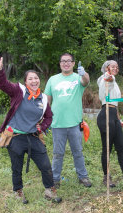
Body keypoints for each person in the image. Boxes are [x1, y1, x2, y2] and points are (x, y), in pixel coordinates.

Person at [0, 57, 61, 204]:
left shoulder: (43, 99)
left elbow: (49, 117)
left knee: (45, 165)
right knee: (16, 167)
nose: (34, 81)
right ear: (26, 82)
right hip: (16, 136)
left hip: (33, 136)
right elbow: (3, 85)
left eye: (36, 78)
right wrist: (0, 71)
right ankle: (18, 192)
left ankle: (49, 190)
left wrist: (42, 127)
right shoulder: (19, 91)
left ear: (39, 80)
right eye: (30, 78)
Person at [44, 53, 92, 188]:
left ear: (73, 63)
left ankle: (83, 177)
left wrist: (84, 74)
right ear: (60, 63)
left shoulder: (78, 78)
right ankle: (55, 179)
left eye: (69, 61)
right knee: (58, 154)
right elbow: (47, 100)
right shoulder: (52, 80)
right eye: (63, 61)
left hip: (75, 124)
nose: (66, 63)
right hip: (57, 123)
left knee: (78, 152)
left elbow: (86, 81)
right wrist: (45, 119)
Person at [96, 60, 123, 187]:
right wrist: (108, 78)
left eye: (117, 66)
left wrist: (119, 119)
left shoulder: (115, 82)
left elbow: (115, 104)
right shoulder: (104, 78)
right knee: (107, 148)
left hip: (113, 115)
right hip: (105, 115)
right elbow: (105, 88)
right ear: (106, 68)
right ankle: (106, 178)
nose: (115, 68)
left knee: (121, 147)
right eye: (112, 66)